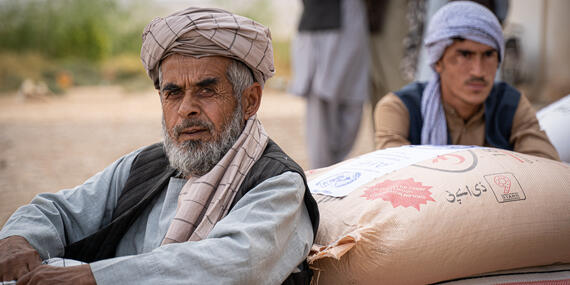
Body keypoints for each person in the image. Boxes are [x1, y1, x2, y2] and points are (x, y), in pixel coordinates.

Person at [0, 7, 319, 285]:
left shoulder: (276, 182)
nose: (187, 109)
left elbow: (233, 265)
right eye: (173, 93)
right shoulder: (144, 164)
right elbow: (59, 211)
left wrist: (93, 278)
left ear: (249, 101)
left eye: (206, 91)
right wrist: (18, 239)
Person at [373, 1, 560, 161]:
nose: (478, 71)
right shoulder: (400, 108)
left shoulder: (510, 105)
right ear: (438, 61)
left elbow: (545, 168)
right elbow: (394, 176)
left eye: (488, 55)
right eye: (465, 55)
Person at [290, 0, 369, 169]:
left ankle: (333, 170)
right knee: (321, 105)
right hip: (320, 26)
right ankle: (323, 175)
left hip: (351, 22)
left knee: (353, 103)